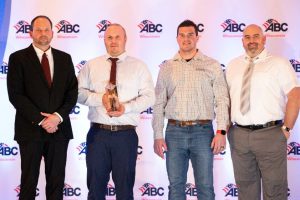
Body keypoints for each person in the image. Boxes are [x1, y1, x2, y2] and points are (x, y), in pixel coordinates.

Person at [152, 20, 230, 200]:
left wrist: (221, 131)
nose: (186, 39)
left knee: (205, 187)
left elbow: (221, 100)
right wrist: (157, 134)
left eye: (190, 35)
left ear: (197, 37)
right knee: (176, 187)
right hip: (174, 132)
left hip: (203, 132)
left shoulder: (212, 65)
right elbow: (158, 103)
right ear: (177, 38)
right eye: (182, 35)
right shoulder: (166, 67)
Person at [77, 23, 155, 200]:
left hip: (125, 136)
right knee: (95, 188)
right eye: (109, 37)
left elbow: (149, 97)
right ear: (104, 40)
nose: (113, 41)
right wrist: (100, 99)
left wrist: (125, 108)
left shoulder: (139, 66)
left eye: (117, 37)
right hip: (98, 135)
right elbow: (77, 93)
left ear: (125, 39)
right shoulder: (91, 65)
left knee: (125, 190)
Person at [7, 15, 78, 200]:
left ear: (52, 33)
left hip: (59, 130)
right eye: (38, 30)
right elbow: (16, 95)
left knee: (56, 182)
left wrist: (57, 117)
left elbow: (72, 93)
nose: (43, 33)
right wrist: (41, 120)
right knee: (28, 182)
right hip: (30, 130)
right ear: (30, 33)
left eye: (46, 30)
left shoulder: (65, 58)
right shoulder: (17, 58)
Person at [226, 24, 300, 200]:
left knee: (275, 190)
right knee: (245, 191)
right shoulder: (232, 65)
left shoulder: (279, 63)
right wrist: (225, 127)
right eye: (248, 37)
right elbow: (226, 100)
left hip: (270, 135)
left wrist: (287, 130)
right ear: (242, 41)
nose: (252, 41)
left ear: (264, 39)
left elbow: (295, 95)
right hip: (239, 136)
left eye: (256, 37)